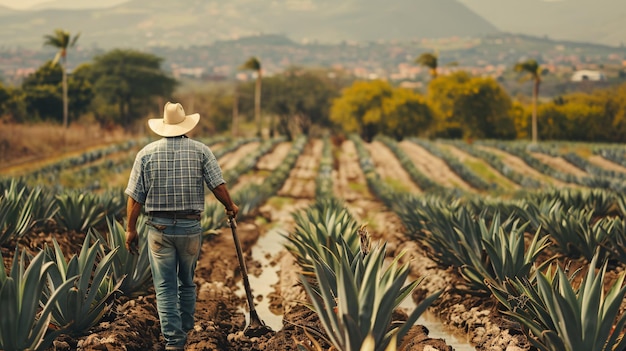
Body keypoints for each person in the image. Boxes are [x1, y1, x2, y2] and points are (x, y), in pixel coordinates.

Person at [125, 101, 239, 351]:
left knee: (165, 286)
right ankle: (188, 330)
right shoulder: (201, 151)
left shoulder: (146, 153)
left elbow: (135, 198)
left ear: (163, 126)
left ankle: (174, 342)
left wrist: (131, 229)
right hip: (190, 228)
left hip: (159, 229)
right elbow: (218, 185)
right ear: (186, 125)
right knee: (187, 281)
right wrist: (230, 205)